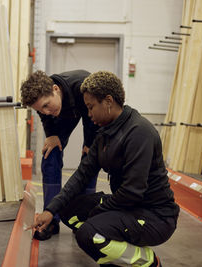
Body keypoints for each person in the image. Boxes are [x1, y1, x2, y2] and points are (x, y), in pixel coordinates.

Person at [30, 71, 179, 267]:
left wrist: (97, 215)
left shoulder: (139, 133)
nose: (88, 114)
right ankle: (111, 249)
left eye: (91, 107)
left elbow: (132, 192)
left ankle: (147, 261)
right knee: (67, 209)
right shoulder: (104, 134)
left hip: (154, 216)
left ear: (108, 101)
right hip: (129, 207)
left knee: (88, 234)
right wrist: (50, 210)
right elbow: (82, 175)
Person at [20, 70, 99, 240]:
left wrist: (89, 143)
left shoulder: (82, 87)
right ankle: (51, 219)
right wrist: (51, 134)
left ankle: (82, 219)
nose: (46, 111)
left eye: (47, 105)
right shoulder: (45, 104)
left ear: (55, 89)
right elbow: (45, 115)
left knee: (91, 160)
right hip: (64, 112)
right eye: (41, 109)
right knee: (50, 153)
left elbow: (92, 118)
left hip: (90, 115)